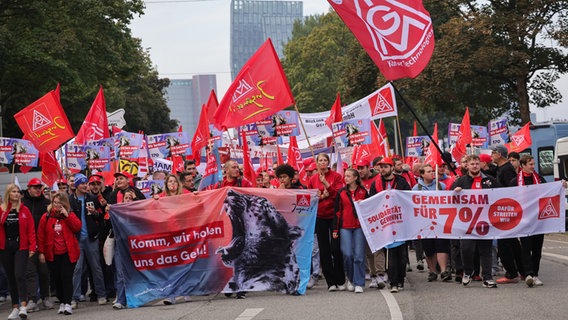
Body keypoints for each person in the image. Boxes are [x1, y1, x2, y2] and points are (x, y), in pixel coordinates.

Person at [509, 155, 566, 287]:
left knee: (537, 248)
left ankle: (535, 274)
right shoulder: (514, 182)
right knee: (526, 247)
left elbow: (551, 191)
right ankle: (528, 273)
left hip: (539, 220)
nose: (533, 167)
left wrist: (560, 185)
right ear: (523, 166)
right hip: (524, 220)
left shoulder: (539, 179)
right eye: (530, 164)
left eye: (534, 164)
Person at [451, 154, 499, 288]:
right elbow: (448, 197)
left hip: (485, 221)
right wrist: (455, 191)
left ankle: (487, 277)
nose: (475, 166)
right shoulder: (461, 181)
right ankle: (467, 272)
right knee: (466, 249)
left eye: (477, 164)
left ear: (480, 165)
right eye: (472, 164)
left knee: (486, 250)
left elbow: (502, 193)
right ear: (467, 165)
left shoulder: (489, 180)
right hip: (467, 222)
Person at [369, 157, 411, 293]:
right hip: (385, 222)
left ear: (392, 168)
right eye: (381, 167)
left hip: (401, 221)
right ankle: (393, 282)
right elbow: (371, 201)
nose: (382, 169)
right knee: (391, 253)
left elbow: (409, 198)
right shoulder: (376, 183)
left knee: (402, 254)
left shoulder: (402, 182)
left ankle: (401, 279)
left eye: (385, 167)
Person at [37, 192, 81, 315]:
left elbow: (77, 227)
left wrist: (67, 216)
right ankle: (62, 302)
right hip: (52, 253)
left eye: (60, 203)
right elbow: (40, 236)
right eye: (55, 202)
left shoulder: (69, 214)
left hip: (68, 252)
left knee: (66, 278)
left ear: (65, 204)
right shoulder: (46, 217)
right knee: (57, 279)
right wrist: (41, 252)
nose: (57, 205)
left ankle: (68, 303)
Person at [308, 153, 345, 292]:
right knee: (324, 249)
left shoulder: (336, 176)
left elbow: (338, 194)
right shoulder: (312, 179)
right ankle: (331, 282)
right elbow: (311, 198)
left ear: (328, 162)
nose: (322, 163)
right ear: (317, 163)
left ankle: (340, 279)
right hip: (320, 216)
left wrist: (326, 184)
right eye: (320, 161)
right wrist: (322, 195)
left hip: (334, 216)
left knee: (336, 248)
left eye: (325, 160)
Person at [70, 173, 107, 308]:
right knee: (77, 269)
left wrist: (96, 213)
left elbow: (101, 216)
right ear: (76, 186)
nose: (85, 185)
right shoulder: (70, 200)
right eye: (82, 183)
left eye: (86, 183)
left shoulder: (92, 198)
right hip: (77, 239)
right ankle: (74, 298)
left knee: (96, 267)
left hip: (91, 239)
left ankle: (101, 294)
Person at [0, 184, 36, 319]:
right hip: (5, 247)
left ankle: (23, 305)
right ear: (8, 194)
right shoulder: (2, 210)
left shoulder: (24, 210)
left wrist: (33, 247)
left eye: (17, 192)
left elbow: (31, 229)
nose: (16, 194)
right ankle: (15, 307)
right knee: (10, 277)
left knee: (19, 275)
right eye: (13, 192)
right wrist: (4, 211)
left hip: (21, 246)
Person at [491, 144, 525, 284]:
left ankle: (512, 273)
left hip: (507, 211)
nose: (491, 155)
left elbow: (511, 189)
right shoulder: (501, 169)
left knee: (505, 245)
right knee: (513, 243)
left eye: (493, 153)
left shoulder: (507, 170)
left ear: (499, 154)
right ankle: (522, 271)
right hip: (504, 210)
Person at [412, 164, 451, 282]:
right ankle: (432, 271)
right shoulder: (416, 188)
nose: (432, 173)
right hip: (425, 222)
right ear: (422, 174)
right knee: (429, 248)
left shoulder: (441, 186)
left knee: (442, 245)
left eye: (433, 171)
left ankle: (443, 271)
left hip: (440, 220)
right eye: (429, 172)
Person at [333, 169, 368, 293]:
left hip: (359, 227)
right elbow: (337, 212)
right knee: (347, 254)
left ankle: (359, 282)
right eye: (345, 176)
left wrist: (363, 203)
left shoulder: (363, 191)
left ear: (355, 178)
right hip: (345, 227)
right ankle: (351, 278)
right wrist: (335, 228)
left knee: (359, 255)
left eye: (348, 176)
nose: (346, 178)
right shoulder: (341, 192)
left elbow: (369, 208)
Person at [21, 177, 53, 312]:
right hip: (27, 242)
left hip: (43, 242)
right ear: (29, 189)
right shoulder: (22, 203)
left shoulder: (47, 202)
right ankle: (33, 299)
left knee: (44, 271)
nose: (38, 189)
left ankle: (46, 297)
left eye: (39, 187)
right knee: (30, 272)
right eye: (35, 187)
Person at [355, 159, 386, 289]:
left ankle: (381, 273)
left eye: (363, 168)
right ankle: (373, 275)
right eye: (359, 168)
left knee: (378, 248)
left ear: (369, 168)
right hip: (363, 220)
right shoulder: (357, 182)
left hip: (377, 218)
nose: (361, 171)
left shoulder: (378, 180)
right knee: (368, 250)